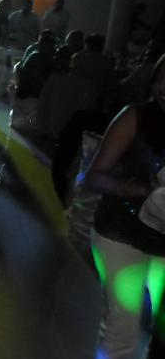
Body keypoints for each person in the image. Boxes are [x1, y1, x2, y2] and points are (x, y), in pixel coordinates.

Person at [86, 55, 165, 359]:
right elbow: (93, 177)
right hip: (122, 234)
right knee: (123, 331)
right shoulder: (135, 117)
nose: (163, 88)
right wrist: (143, 189)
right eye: (160, 79)